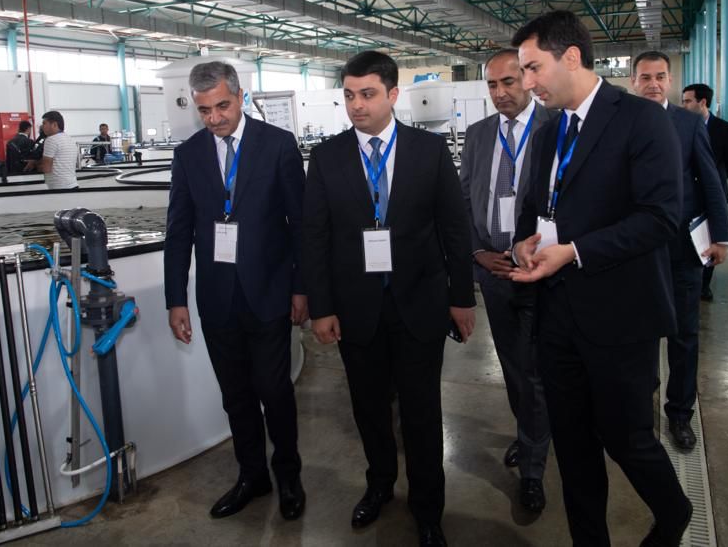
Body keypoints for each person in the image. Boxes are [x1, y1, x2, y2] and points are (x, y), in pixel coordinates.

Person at [508, 11, 692, 547]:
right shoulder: (548, 134)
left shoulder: (640, 119)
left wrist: (574, 252)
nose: (527, 83)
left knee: (627, 438)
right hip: (556, 315)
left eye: (533, 67)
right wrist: (524, 243)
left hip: (621, 316)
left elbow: (660, 218)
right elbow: (538, 210)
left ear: (571, 57)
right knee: (573, 447)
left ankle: (674, 513)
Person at [302, 51, 475, 547]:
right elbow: (315, 237)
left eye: (368, 94)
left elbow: (454, 229)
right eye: (349, 95)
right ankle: (379, 484)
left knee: (422, 413)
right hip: (357, 308)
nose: (357, 105)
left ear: (393, 94)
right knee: (369, 408)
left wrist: (461, 298)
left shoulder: (429, 151)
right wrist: (322, 307)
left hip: (419, 304)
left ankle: (428, 508)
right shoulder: (328, 157)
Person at [164, 61, 307, 521]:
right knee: (236, 395)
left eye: (222, 106)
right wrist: (175, 299)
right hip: (217, 297)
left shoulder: (278, 145)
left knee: (275, 391)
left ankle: (289, 476)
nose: (214, 118)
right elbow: (178, 231)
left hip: (269, 291)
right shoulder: (188, 155)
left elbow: (300, 224)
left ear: (241, 96)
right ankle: (252, 475)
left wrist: (301, 287)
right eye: (204, 110)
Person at [457, 48, 553, 512]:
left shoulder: (554, 127)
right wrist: (477, 252)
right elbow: (463, 199)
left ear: (528, 80)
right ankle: (529, 431)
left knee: (534, 371)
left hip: (541, 272)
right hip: (493, 272)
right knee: (514, 367)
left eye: (509, 82)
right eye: (492, 85)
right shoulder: (478, 135)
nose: (500, 93)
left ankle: (533, 469)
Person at [632, 52, 728, 451]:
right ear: (634, 82)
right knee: (638, 335)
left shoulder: (689, 124)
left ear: (670, 81)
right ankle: (640, 403)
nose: (653, 83)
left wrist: (720, 236)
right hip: (634, 252)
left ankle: (679, 413)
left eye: (660, 76)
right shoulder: (619, 123)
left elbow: (711, 181)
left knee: (684, 336)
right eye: (645, 77)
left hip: (681, 250)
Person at [681, 83, 728, 301]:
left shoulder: (724, 129)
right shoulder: (681, 126)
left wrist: (714, 179)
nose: (684, 105)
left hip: (713, 193)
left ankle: (704, 285)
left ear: (702, 102)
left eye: (688, 101)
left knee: (709, 239)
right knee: (690, 241)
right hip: (688, 196)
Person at [37, 111, 78, 190]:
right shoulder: (69, 138)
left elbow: (46, 168)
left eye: (44, 123)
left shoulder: (51, 140)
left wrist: (36, 165)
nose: (42, 127)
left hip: (59, 188)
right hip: (72, 185)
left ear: (54, 124)